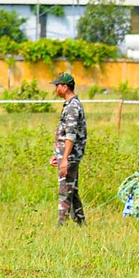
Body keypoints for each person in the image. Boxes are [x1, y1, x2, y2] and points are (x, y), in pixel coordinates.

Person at [50, 72, 87, 226]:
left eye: (57, 86)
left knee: (64, 191)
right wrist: (56, 154)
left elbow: (70, 135)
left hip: (70, 155)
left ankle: (61, 225)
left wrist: (64, 158)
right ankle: (81, 223)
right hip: (66, 154)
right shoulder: (71, 105)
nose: (56, 89)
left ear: (65, 87)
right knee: (72, 189)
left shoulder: (72, 107)